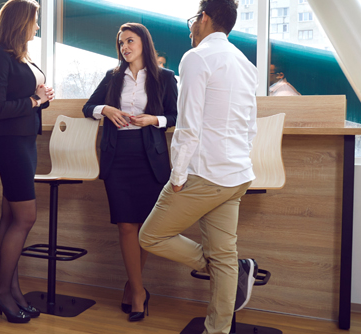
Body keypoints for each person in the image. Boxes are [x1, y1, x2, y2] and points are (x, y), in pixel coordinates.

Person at [138, 1, 259, 333]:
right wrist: (236, 158)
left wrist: (178, 175)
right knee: (222, 255)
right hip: (236, 175)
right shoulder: (245, 63)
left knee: (150, 236)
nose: (191, 27)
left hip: (203, 173)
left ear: (204, 19)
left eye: (194, 19)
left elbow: (189, 124)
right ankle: (216, 327)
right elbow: (251, 126)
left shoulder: (197, 58)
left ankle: (232, 268)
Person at [82, 23, 178, 322]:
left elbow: (176, 116)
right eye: (121, 42)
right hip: (118, 157)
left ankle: (132, 285)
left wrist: (154, 119)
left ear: (143, 43)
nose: (125, 47)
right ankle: (138, 292)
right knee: (126, 225)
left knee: (146, 228)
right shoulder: (112, 78)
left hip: (150, 158)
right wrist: (106, 111)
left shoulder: (165, 78)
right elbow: (89, 107)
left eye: (130, 41)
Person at [0, 0, 53, 324]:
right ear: (20, 22)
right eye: (34, 22)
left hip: (24, 140)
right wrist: (33, 99)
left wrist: (40, 99)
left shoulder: (17, 57)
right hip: (10, 143)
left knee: (11, 215)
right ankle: (1, 290)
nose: (37, 27)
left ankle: (12, 291)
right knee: (26, 217)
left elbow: (23, 101)